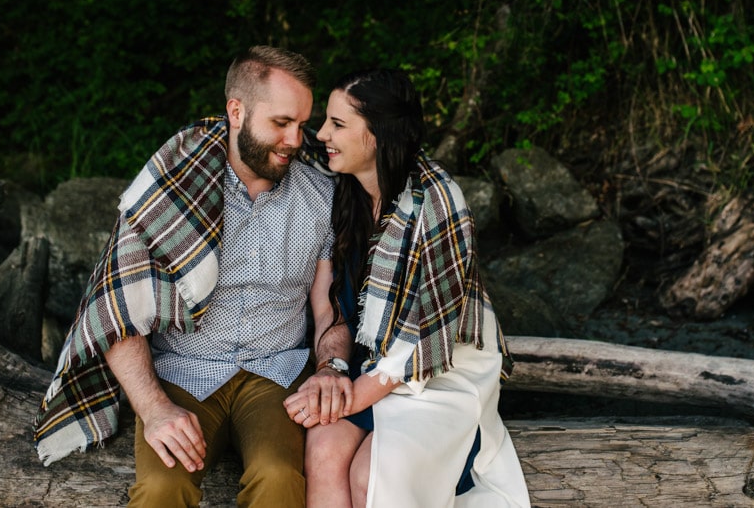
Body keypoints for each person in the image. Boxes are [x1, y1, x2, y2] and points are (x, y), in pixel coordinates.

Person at [33, 45, 354, 507]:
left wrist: (329, 368)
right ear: (236, 111)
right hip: (182, 370)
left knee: (280, 477)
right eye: (281, 123)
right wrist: (155, 408)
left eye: (302, 125)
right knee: (164, 488)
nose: (295, 140)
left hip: (277, 371)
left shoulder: (322, 197)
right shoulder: (171, 186)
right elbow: (117, 308)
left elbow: (329, 310)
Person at [283, 68, 530, 507]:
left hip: (439, 375)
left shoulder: (437, 203)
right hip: (368, 364)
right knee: (322, 449)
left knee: (370, 475)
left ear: (378, 135)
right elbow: (248, 140)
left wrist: (346, 396)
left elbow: (422, 344)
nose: (321, 134)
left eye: (338, 125)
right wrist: (333, 376)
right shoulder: (346, 189)